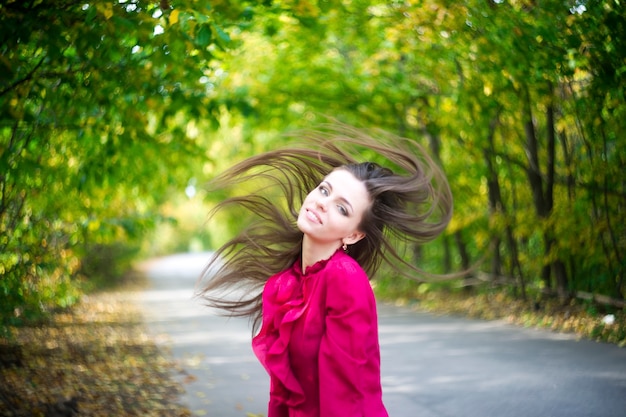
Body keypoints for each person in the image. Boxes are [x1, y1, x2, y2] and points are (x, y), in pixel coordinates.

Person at [197, 123, 453, 417]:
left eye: (342, 208)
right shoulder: (284, 285)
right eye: (324, 189)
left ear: (354, 235)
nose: (322, 203)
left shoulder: (344, 278)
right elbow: (282, 393)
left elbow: (346, 395)